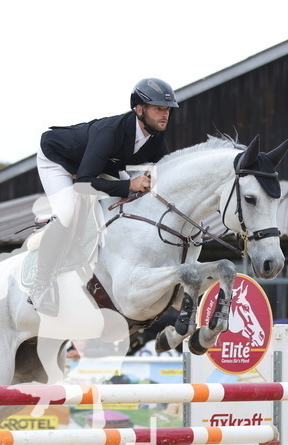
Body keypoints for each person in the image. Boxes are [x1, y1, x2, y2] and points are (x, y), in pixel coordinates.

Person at [30, 78, 178, 315]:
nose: (165, 115)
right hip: (58, 160)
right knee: (67, 213)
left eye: (167, 109)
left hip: (98, 165)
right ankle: (40, 285)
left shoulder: (156, 136)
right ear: (139, 109)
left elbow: (164, 177)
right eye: (158, 108)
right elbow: (84, 184)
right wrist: (129, 184)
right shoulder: (109, 132)